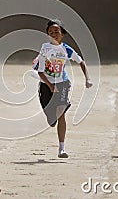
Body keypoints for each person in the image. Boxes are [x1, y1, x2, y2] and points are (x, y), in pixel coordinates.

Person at [36, 19, 92, 158]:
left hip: (62, 83)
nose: (54, 34)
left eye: (56, 31)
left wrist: (87, 78)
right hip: (46, 84)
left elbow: (81, 62)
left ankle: (62, 148)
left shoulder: (67, 49)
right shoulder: (45, 48)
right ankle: (52, 116)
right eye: (50, 32)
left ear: (62, 33)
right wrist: (50, 85)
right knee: (52, 121)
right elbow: (40, 71)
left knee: (61, 113)